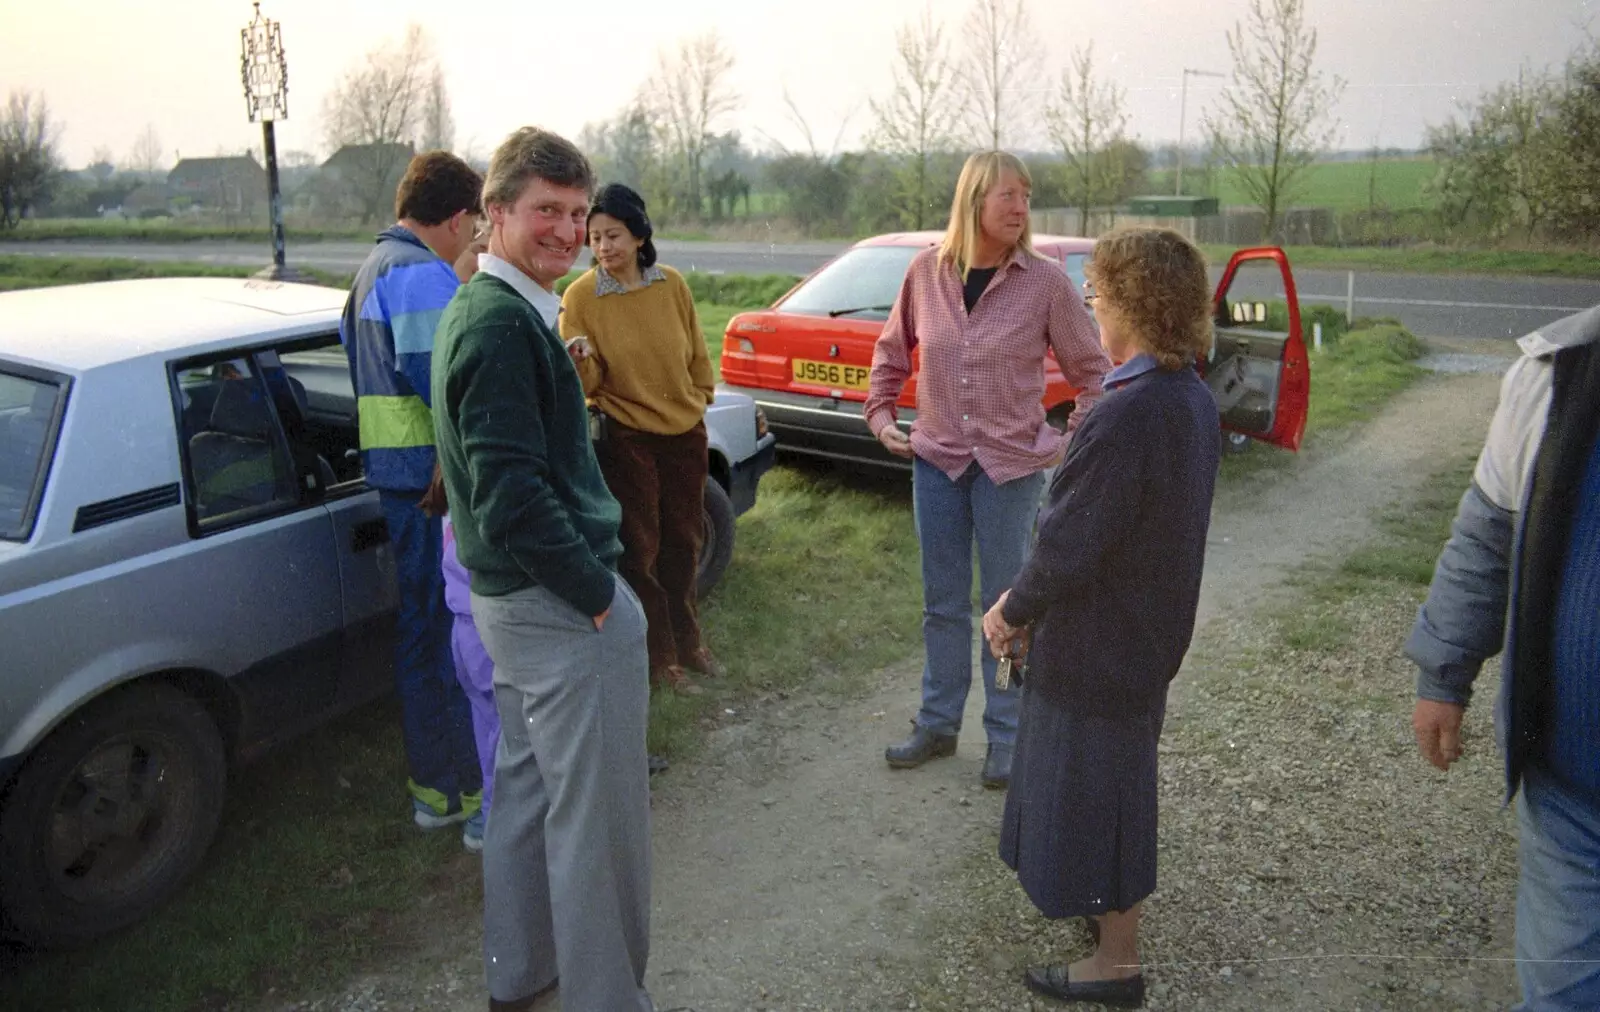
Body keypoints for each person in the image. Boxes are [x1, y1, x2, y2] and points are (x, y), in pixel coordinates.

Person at [432, 127, 654, 1012]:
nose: (566, 231)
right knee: (597, 826)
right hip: (556, 607)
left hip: (516, 607)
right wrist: (599, 595)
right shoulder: (496, 322)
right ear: (494, 215)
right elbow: (510, 496)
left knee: (524, 798)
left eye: (576, 213)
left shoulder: (507, 306)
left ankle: (520, 981)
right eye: (545, 213)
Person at [980, 226, 1221, 1007]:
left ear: (1133, 304)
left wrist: (1012, 609)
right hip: (1143, 635)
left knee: (1105, 791)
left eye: (1097, 296)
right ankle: (1105, 924)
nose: (1091, 310)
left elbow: (1068, 540)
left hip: (1104, 641)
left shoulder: (1130, 412)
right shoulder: (1186, 396)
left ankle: (1118, 963)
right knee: (1105, 783)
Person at [866, 149, 1111, 790]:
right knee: (942, 604)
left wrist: (1064, 443)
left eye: (1026, 196)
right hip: (937, 463)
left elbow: (1096, 376)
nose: (1021, 207)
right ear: (973, 198)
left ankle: (1006, 736)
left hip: (1011, 471)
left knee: (1009, 608)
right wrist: (882, 417)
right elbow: (891, 354)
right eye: (1008, 194)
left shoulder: (1046, 283)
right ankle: (939, 724)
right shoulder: (926, 274)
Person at [1405, 303, 1600, 1011]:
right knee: (1561, 995)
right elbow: (1487, 538)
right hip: (1574, 795)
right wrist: (1443, 673)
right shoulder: (1557, 372)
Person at [340, 150, 485, 850]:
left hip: (396, 479)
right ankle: (463, 787)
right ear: (457, 219)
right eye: (476, 227)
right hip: (432, 484)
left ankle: (435, 788)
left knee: (421, 630)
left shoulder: (372, 268)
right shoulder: (421, 276)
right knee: (450, 634)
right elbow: (451, 388)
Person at [560, 183, 720, 696]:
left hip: (683, 432)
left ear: (639, 235)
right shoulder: (580, 296)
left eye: (614, 235)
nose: (603, 247)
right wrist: (580, 361)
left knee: (685, 540)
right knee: (641, 548)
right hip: (627, 436)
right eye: (595, 237)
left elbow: (696, 347)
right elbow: (590, 384)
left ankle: (690, 640)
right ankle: (660, 657)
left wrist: (699, 396)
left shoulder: (671, 284)